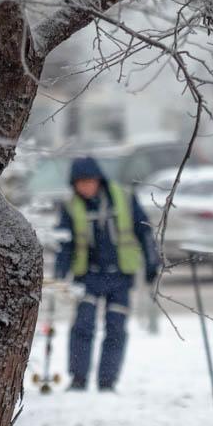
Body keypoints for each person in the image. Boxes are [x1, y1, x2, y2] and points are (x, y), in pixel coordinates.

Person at [54, 156, 160, 392]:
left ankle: (107, 381)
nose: (86, 187)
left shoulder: (123, 198)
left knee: (115, 328)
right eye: (80, 183)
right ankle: (78, 379)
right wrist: (60, 273)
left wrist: (152, 263)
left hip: (120, 276)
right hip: (87, 276)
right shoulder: (71, 206)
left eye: (90, 181)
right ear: (74, 184)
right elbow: (64, 243)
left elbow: (144, 232)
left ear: (99, 180)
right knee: (82, 326)